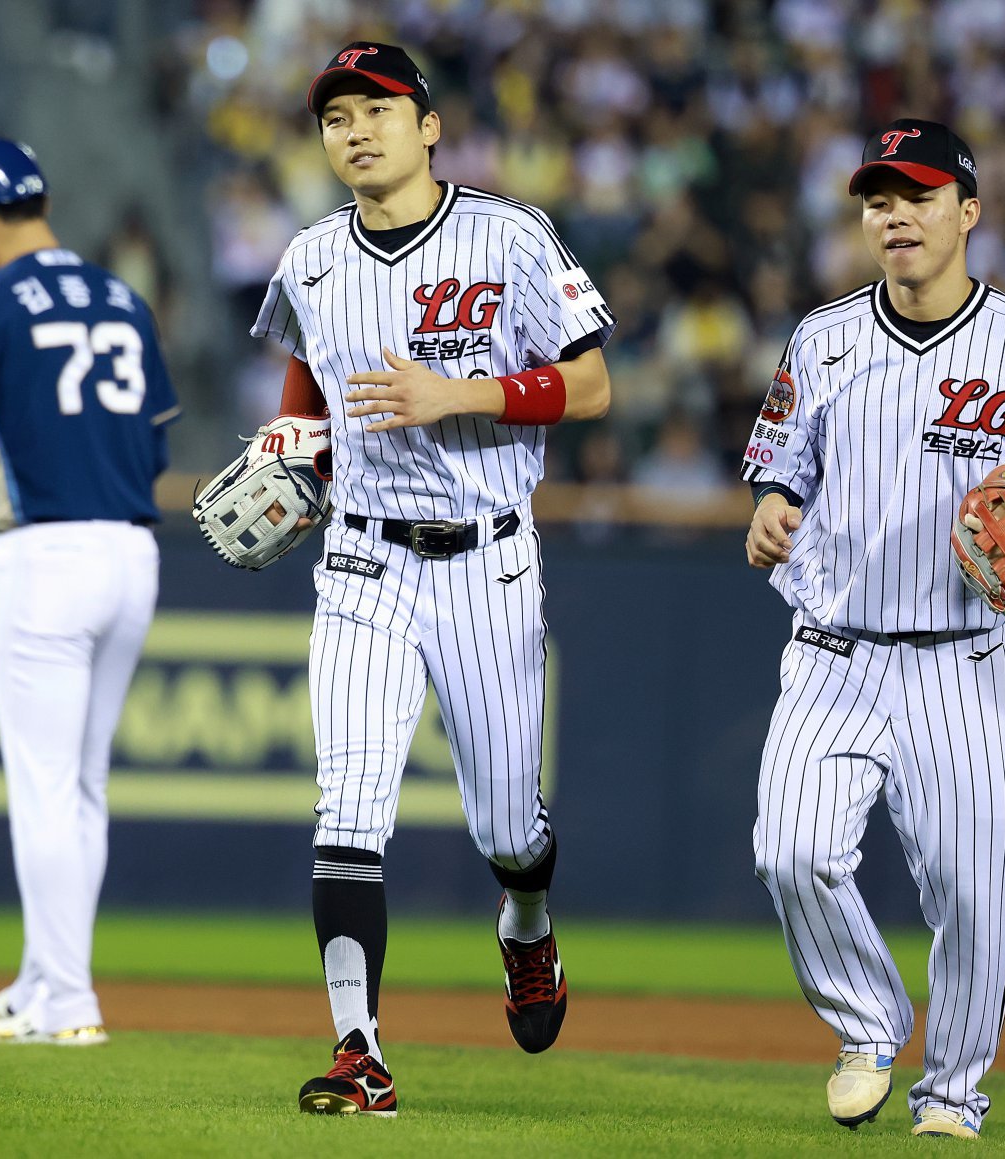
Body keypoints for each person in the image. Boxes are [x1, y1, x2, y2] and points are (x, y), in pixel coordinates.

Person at [741, 119, 1005, 1139]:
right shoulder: (821, 338)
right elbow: (780, 463)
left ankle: (951, 1093)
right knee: (789, 852)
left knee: (974, 893)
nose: (894, 215)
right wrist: (772, 506)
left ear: (967, 211)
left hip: (960, 661)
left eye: (915, 196)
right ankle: (868, 1021)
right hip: (833, 652)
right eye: (878, 198)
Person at [247, 42, 614, 1115]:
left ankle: (528, 930)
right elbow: (304, 390)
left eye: (376, 109)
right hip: (360, 557)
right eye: (334, 117)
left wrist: (461, 394)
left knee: (510, 829)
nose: (354, 130)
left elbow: (590, 384)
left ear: (429, 124)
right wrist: (287, 451)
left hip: (487, 558)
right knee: (346, 808)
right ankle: (357, 1050)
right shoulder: (311, 258)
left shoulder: (506, 234)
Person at [0, 138, 179, 1045]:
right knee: (83, 785)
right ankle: (43, 984)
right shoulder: (124, 298)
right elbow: (157, 444)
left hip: (45, 556)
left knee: (45, 788)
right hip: (132, 554)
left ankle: (71, 1000)